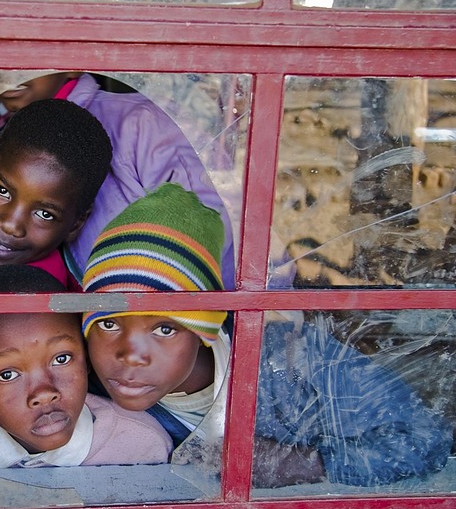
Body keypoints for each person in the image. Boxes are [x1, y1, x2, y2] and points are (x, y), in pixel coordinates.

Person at [81, 183, 453, 487]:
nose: (130, 355)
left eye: (165, 328)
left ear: (204, 327)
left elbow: (427, 437)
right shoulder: (86, 389)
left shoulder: (291, 360)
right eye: (108, 323)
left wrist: (306, 464)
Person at [0, 72, 238, 289]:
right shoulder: (8, 132)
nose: (10, 71)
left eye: (29, 54)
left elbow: (213, 226)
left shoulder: (140, 123)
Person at [0, 264, 173, 469]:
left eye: (61, 359)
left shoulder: (142, 447)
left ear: (86, 359)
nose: (44, 393)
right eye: (7, 374)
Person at [0, 97, 112, 293]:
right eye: (2, 191)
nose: (10, 225)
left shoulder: (33, 298)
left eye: (44, 214)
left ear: (75, 224)